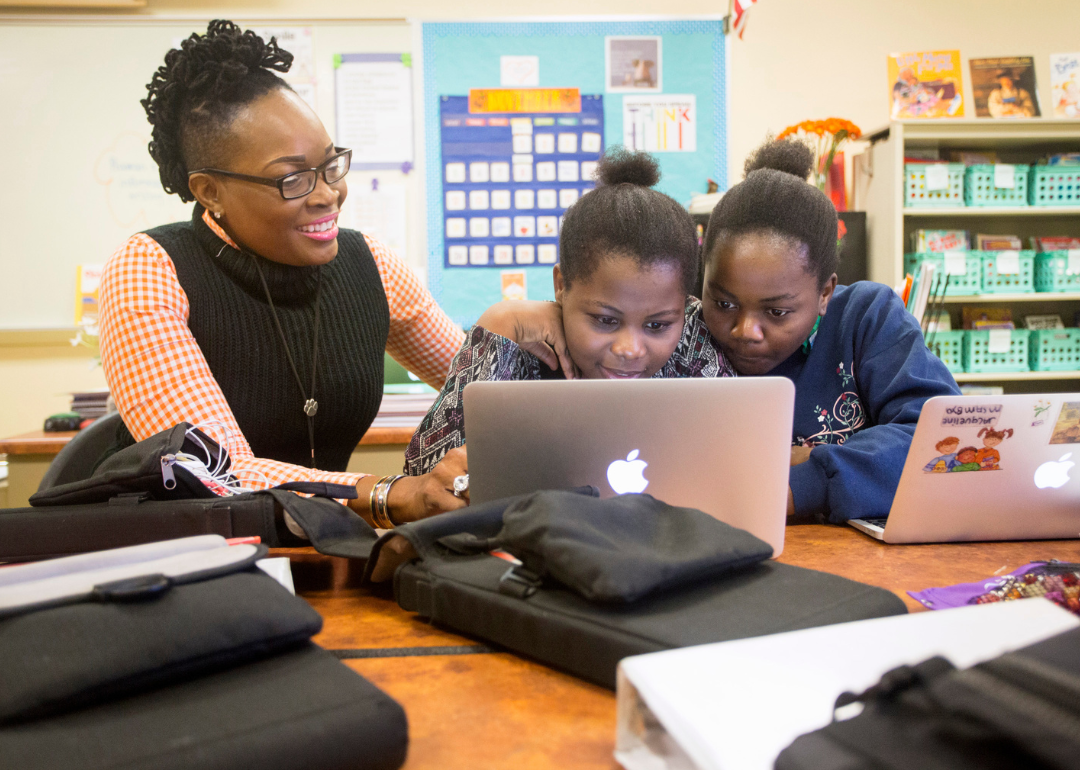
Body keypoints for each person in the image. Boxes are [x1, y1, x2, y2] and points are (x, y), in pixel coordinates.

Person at [98, 20, 564, 530]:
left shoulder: (371, 266)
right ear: (210, 192)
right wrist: (390, 494)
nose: (327, 195)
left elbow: (478, 394)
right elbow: (213, 473)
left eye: (330, 165)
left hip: (325, 550)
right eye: (292, 178)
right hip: (190, 558)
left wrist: (507, 329)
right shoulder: (151, 268)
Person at [404, 148, 734, 476]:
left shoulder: (695, 343)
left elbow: (739, 462)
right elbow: (425, 478)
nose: (630, 349)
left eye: (658, 325)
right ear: (561, 285)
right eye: (606, 320)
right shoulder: (520, 353)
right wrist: (498, 323)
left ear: (685, 304)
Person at [698, 137, 961, 523]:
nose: (746, 330)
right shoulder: (679, 331)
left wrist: (805, 479)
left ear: (825, 293)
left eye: (777, 311)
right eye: (724, 304)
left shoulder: (867, 318)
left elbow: (943, 435)